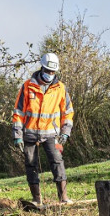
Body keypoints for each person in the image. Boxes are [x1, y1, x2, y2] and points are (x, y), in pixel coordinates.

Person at [11, 52, 74, 206]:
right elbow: (18, 112)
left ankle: (63, 197)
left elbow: (68, 112)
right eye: (47, 71)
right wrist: (17, 135)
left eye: (53, 72)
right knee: (31, 164)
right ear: (42, 68)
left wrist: (65, 133)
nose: (50, 74)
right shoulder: (27, 86)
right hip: (29, 134)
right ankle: (36, 199)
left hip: (52, 134)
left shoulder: (60, 88)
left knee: (57, 162)